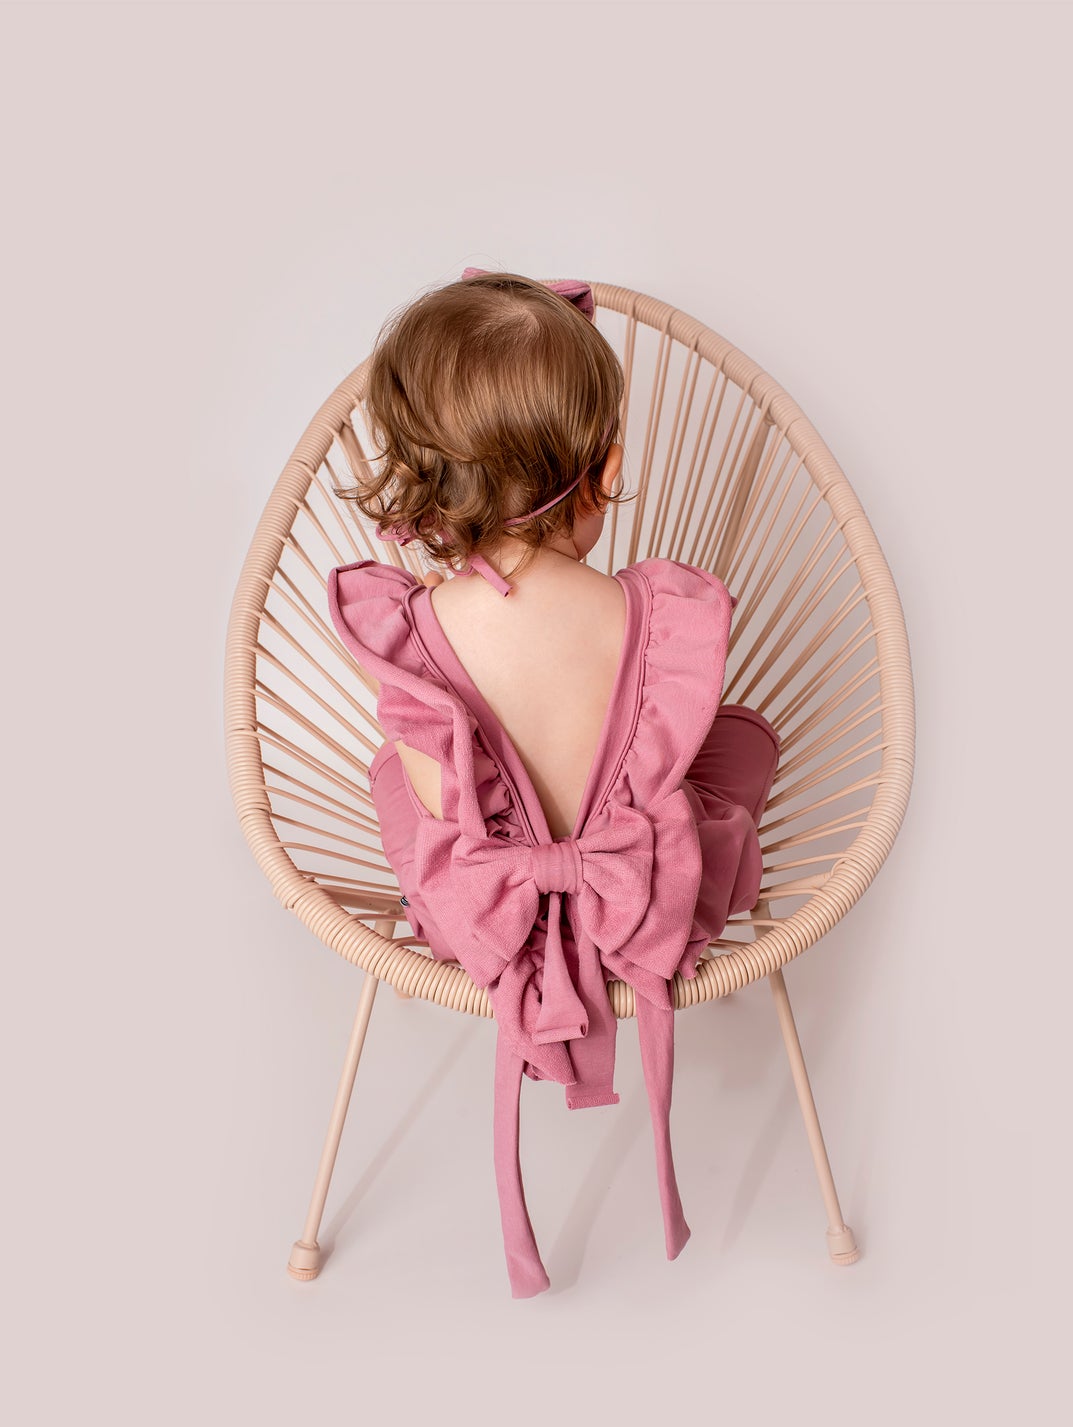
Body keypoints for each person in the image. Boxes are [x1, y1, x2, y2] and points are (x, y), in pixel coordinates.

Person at [326, 267, 779, 1297]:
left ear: (427, 483)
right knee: (740, 745)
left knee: (394, 776)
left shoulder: (416, 629)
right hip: (645, 901)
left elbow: (445, 807)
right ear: (605, 470)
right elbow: (664, 755)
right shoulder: (649, 615)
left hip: (487, 921)